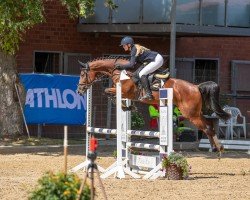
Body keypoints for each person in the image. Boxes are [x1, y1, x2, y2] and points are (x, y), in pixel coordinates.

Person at [115, 36, 165, 100]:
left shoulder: (134, 50)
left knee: (142, 74)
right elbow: (134, 64)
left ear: (129, 45)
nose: (123, 47)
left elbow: (131, 65)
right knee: (136, 73)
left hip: (156, 60)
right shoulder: (133, 49)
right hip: (153, 59)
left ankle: (148, 94)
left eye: (124, 45)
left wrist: (121, 66)